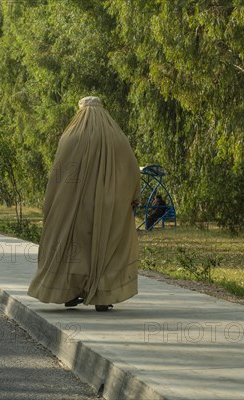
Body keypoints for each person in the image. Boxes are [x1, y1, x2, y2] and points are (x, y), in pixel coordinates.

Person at [28, 96, 141, 312]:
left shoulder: (71, 137)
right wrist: (133, 195)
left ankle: (68, 292)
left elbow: (58, 175)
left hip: (74, 205)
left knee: (75, 246)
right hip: (110, 204)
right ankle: (102, 295)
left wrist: (52, 202)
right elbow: (131, 167)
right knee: (107, 245)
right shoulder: (117, 138)